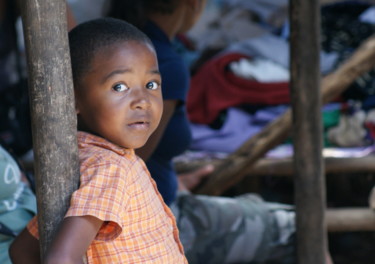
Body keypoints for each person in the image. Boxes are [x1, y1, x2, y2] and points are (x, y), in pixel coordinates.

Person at [106, 1, 307, 264]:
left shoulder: (111, 45)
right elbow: (130, 161)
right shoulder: (161, 62)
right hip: (154, 224)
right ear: (194, 4)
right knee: (299, 228)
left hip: (153, 206)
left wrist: (172, 180)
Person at [9, 17, 188, 264]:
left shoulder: (91, 162)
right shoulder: (109, 168)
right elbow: (60, 259)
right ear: (73, 99)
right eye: (119, 87)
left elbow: (22, 251)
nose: (142, 100)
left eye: (151, 84)